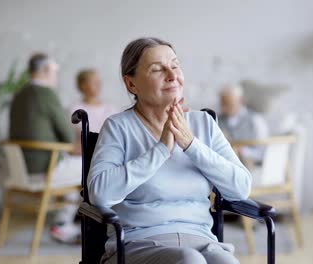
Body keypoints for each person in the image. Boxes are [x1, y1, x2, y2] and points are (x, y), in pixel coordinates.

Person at [88, 37, 252, 264]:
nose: (172, 75)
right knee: (189, 260)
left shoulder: (203, 123)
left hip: (202, 239)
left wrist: (191, 145)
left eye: (175, 66)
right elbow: (100, 193)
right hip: (138, 243)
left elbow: (241, 187)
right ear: (131, 84)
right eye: (157, 69)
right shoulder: (118, 127)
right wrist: (161, 150)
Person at [9, 53, 82, 243]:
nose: (56, 76)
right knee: (93, 168)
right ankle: (72, 226)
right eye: (55, 71)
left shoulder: (19, 94)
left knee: (73, 172)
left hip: (22, 170)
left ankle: (62, 225)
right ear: (47, 70)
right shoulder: (46, 93)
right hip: (45, 169)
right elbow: (67, 134)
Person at [69, 69, 119, 154]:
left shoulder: (110, 109)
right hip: (81, 157)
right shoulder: (74, 110)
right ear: (82, 85)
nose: (99, 85)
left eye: (99, 82)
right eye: (94, 82)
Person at [218, 84, 269, 165]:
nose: (224, 109)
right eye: (222, 104)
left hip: (250, 168)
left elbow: (263, 152)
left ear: (240, 101)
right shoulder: (217, 121)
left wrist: (243, 151)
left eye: (228, 104)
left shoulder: (256, 120)